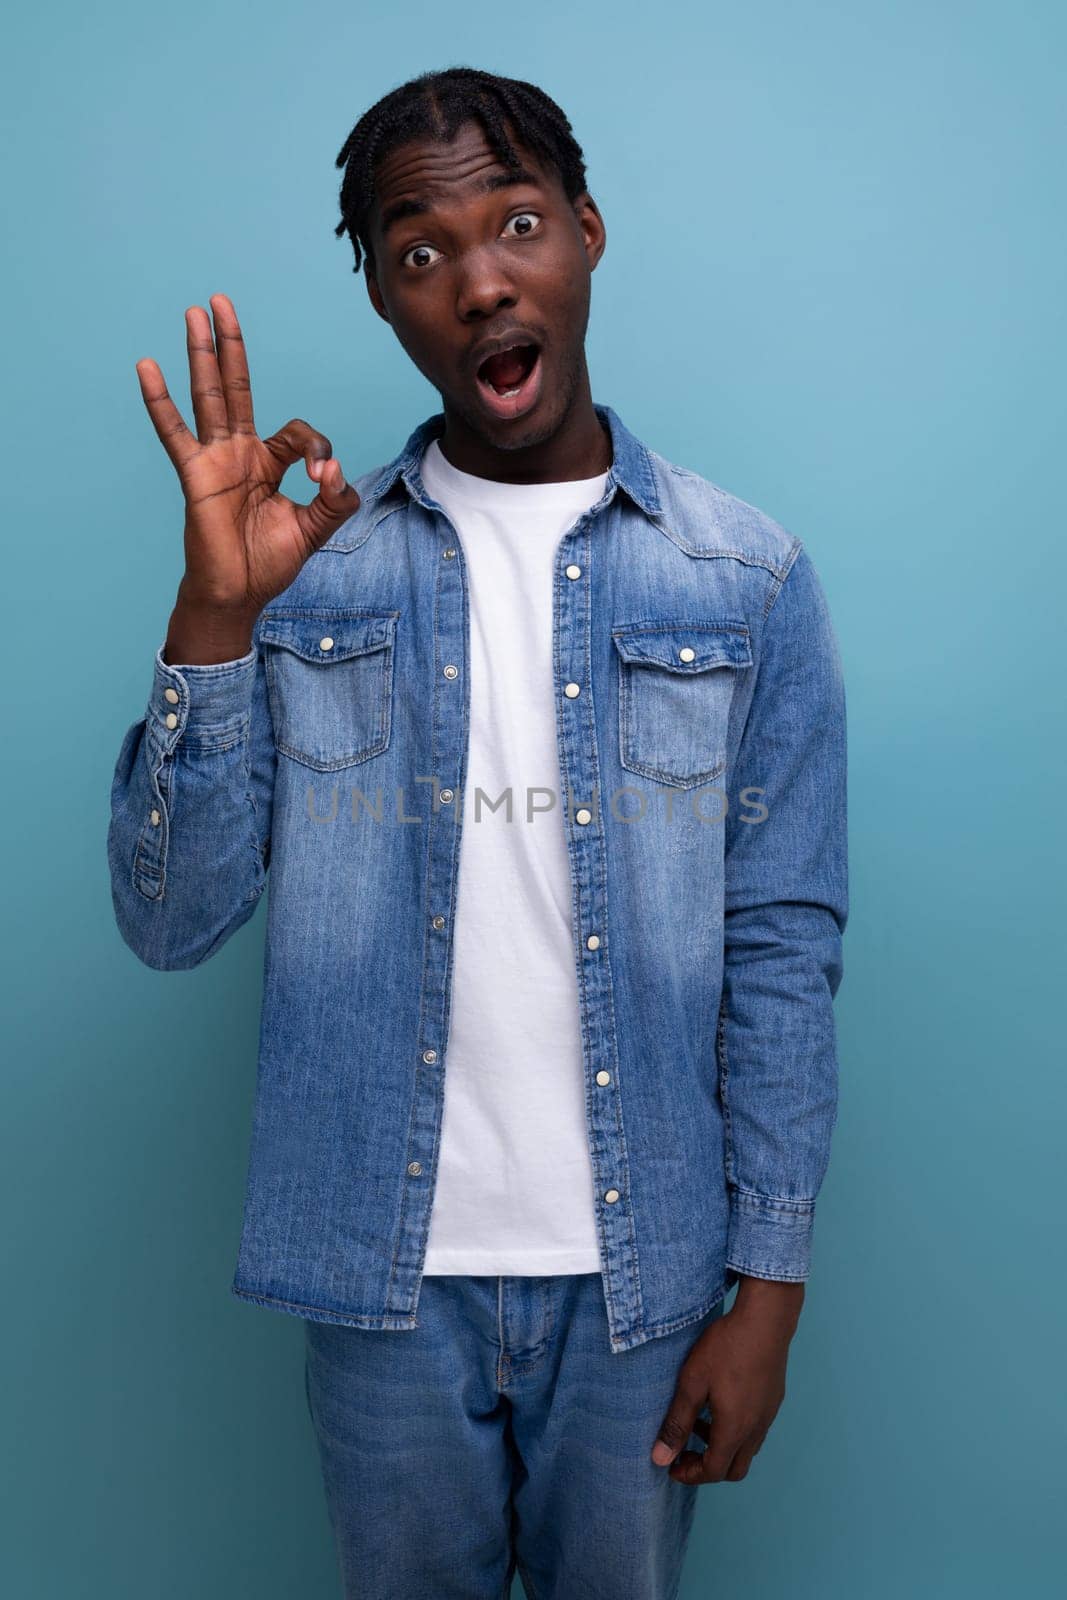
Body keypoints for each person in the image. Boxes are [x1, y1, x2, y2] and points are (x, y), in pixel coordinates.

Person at [107, 64, 848, 1600]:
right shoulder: (308, 572)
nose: (479, 278)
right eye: (419, 250)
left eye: (516, 222)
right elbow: (169, 920)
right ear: (384, 299)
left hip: (645, 1283)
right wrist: (216, 620)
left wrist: (765, 1291)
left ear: (584, 234)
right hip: (382, 1281)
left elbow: (783, 946)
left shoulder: (746, 580)